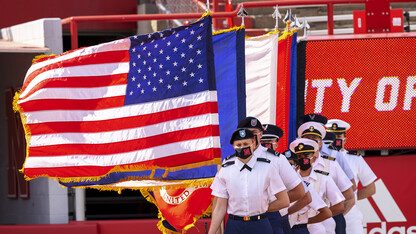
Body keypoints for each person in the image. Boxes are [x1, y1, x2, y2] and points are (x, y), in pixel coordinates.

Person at [209, 128, 290, 234]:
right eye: (239, 145)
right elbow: (220, 207)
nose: (242, 147)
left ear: (253, 143)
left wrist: (261, 208)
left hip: (260, 224)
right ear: (233, 146)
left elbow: (284, 201)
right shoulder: (226, 170)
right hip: (234, 225)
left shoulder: (267, 167)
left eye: (246, 143)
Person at [236, 118, 305, 234]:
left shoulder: (276, 159)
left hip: (271, 219)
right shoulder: (233, 160)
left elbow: (299, 191)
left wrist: (268, 206)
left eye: (253, 133)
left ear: (260, 135)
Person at [298, 122, 355, 234]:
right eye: (306, 139)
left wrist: (328, 216)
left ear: (320, 144)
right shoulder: (293, 164)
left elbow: (349, 196)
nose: (310, 142)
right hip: (297, 225)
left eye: (314, 139)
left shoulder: (330, 164)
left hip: (326, 225)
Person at [326, 119, 377, 234]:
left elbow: (371, 188)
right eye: (332, 135)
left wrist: (349, 198)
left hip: (351, 218)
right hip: (327, 216)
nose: (335, 139)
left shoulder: (355, 159)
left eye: (338, 135)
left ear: (345, 139)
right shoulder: (321, 158)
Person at [260, 124, 310, 234]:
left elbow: (303, 193)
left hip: (277, 216)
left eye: (269, 142)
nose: (265, 146)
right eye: (262, 142)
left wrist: (276, 203)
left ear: (276, 144)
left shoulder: (280, 161)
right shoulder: (250, 161)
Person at [290, 138, 345, 234]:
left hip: (317, 227)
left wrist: (313, 218)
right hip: (292, 227)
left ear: (314, 157)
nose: (303, 159)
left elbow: (339, 206)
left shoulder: (323, 177)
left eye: (306, 155)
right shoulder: (290, 178)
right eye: (299, 156)